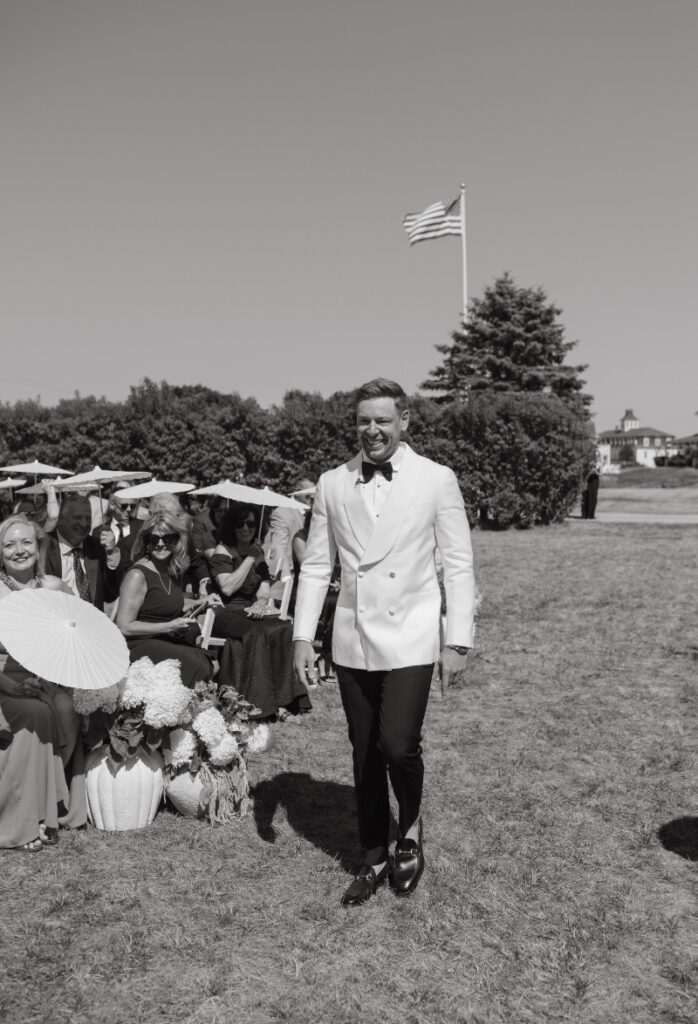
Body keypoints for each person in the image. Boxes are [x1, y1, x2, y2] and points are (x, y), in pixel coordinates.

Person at [293, 378, 477, 906]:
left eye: (382, 420)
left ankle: (410, 828)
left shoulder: (436, 479)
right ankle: (373, 854)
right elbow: (317, 566)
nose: (371, 430)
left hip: (413, 632)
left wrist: (457, 641)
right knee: (365, 752)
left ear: (404, 421)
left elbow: (458, 563)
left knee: (397, 744)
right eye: (363, 421)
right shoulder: (332, 483)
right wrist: (303, 634)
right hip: (353, 638)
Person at [0, 515, 86, 850]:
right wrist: (13, 688)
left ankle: (47, 804)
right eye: (9, 545)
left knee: (68, 706)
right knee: (37, 713)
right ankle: (27, 818)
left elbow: (79, 628)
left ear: (39, 547)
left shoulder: (53, 586)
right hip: (5, 680)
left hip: (47, 676)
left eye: (26, 542)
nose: (19, 550)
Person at [208, 504, 312, 720]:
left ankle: (284, 700)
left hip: (250, 611)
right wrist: (249, 559)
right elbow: (227, 588)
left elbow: (263, 591)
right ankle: (259, 704)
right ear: (231, 526)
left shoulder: (258, 554)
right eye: (240, 524)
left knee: (284, 628)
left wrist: (260, 603)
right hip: (225, 612)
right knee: (256, 633)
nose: (246, 528)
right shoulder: (223, 551)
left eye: (251, 524)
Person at [116, 509, 214, 687]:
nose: (160, 544)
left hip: (162, 640)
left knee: (210, 661)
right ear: (146, 542)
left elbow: (163, 603)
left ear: (177, 540)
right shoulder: (137, 575)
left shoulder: (172, 570)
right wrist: (169, 626)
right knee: (199, 665)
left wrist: (199, 603)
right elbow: (124, 626)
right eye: (154, 539)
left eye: (167, 538)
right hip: (137, 644)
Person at [43, 494, 124, 610]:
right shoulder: (43, 547)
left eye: (88, 518)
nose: (84, 523)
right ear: (61, 519)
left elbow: (111, 594)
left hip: (92, 618)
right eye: (77, 518)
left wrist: (111, 552)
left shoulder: (97, 547)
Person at [267, 478, 315, 578]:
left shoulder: (315, 512)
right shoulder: (281, 513)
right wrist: (285, 576)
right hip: (291, 575)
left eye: (314, 492)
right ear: (296, 492)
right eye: (308, 493)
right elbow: (279, 547)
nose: (312, 496)